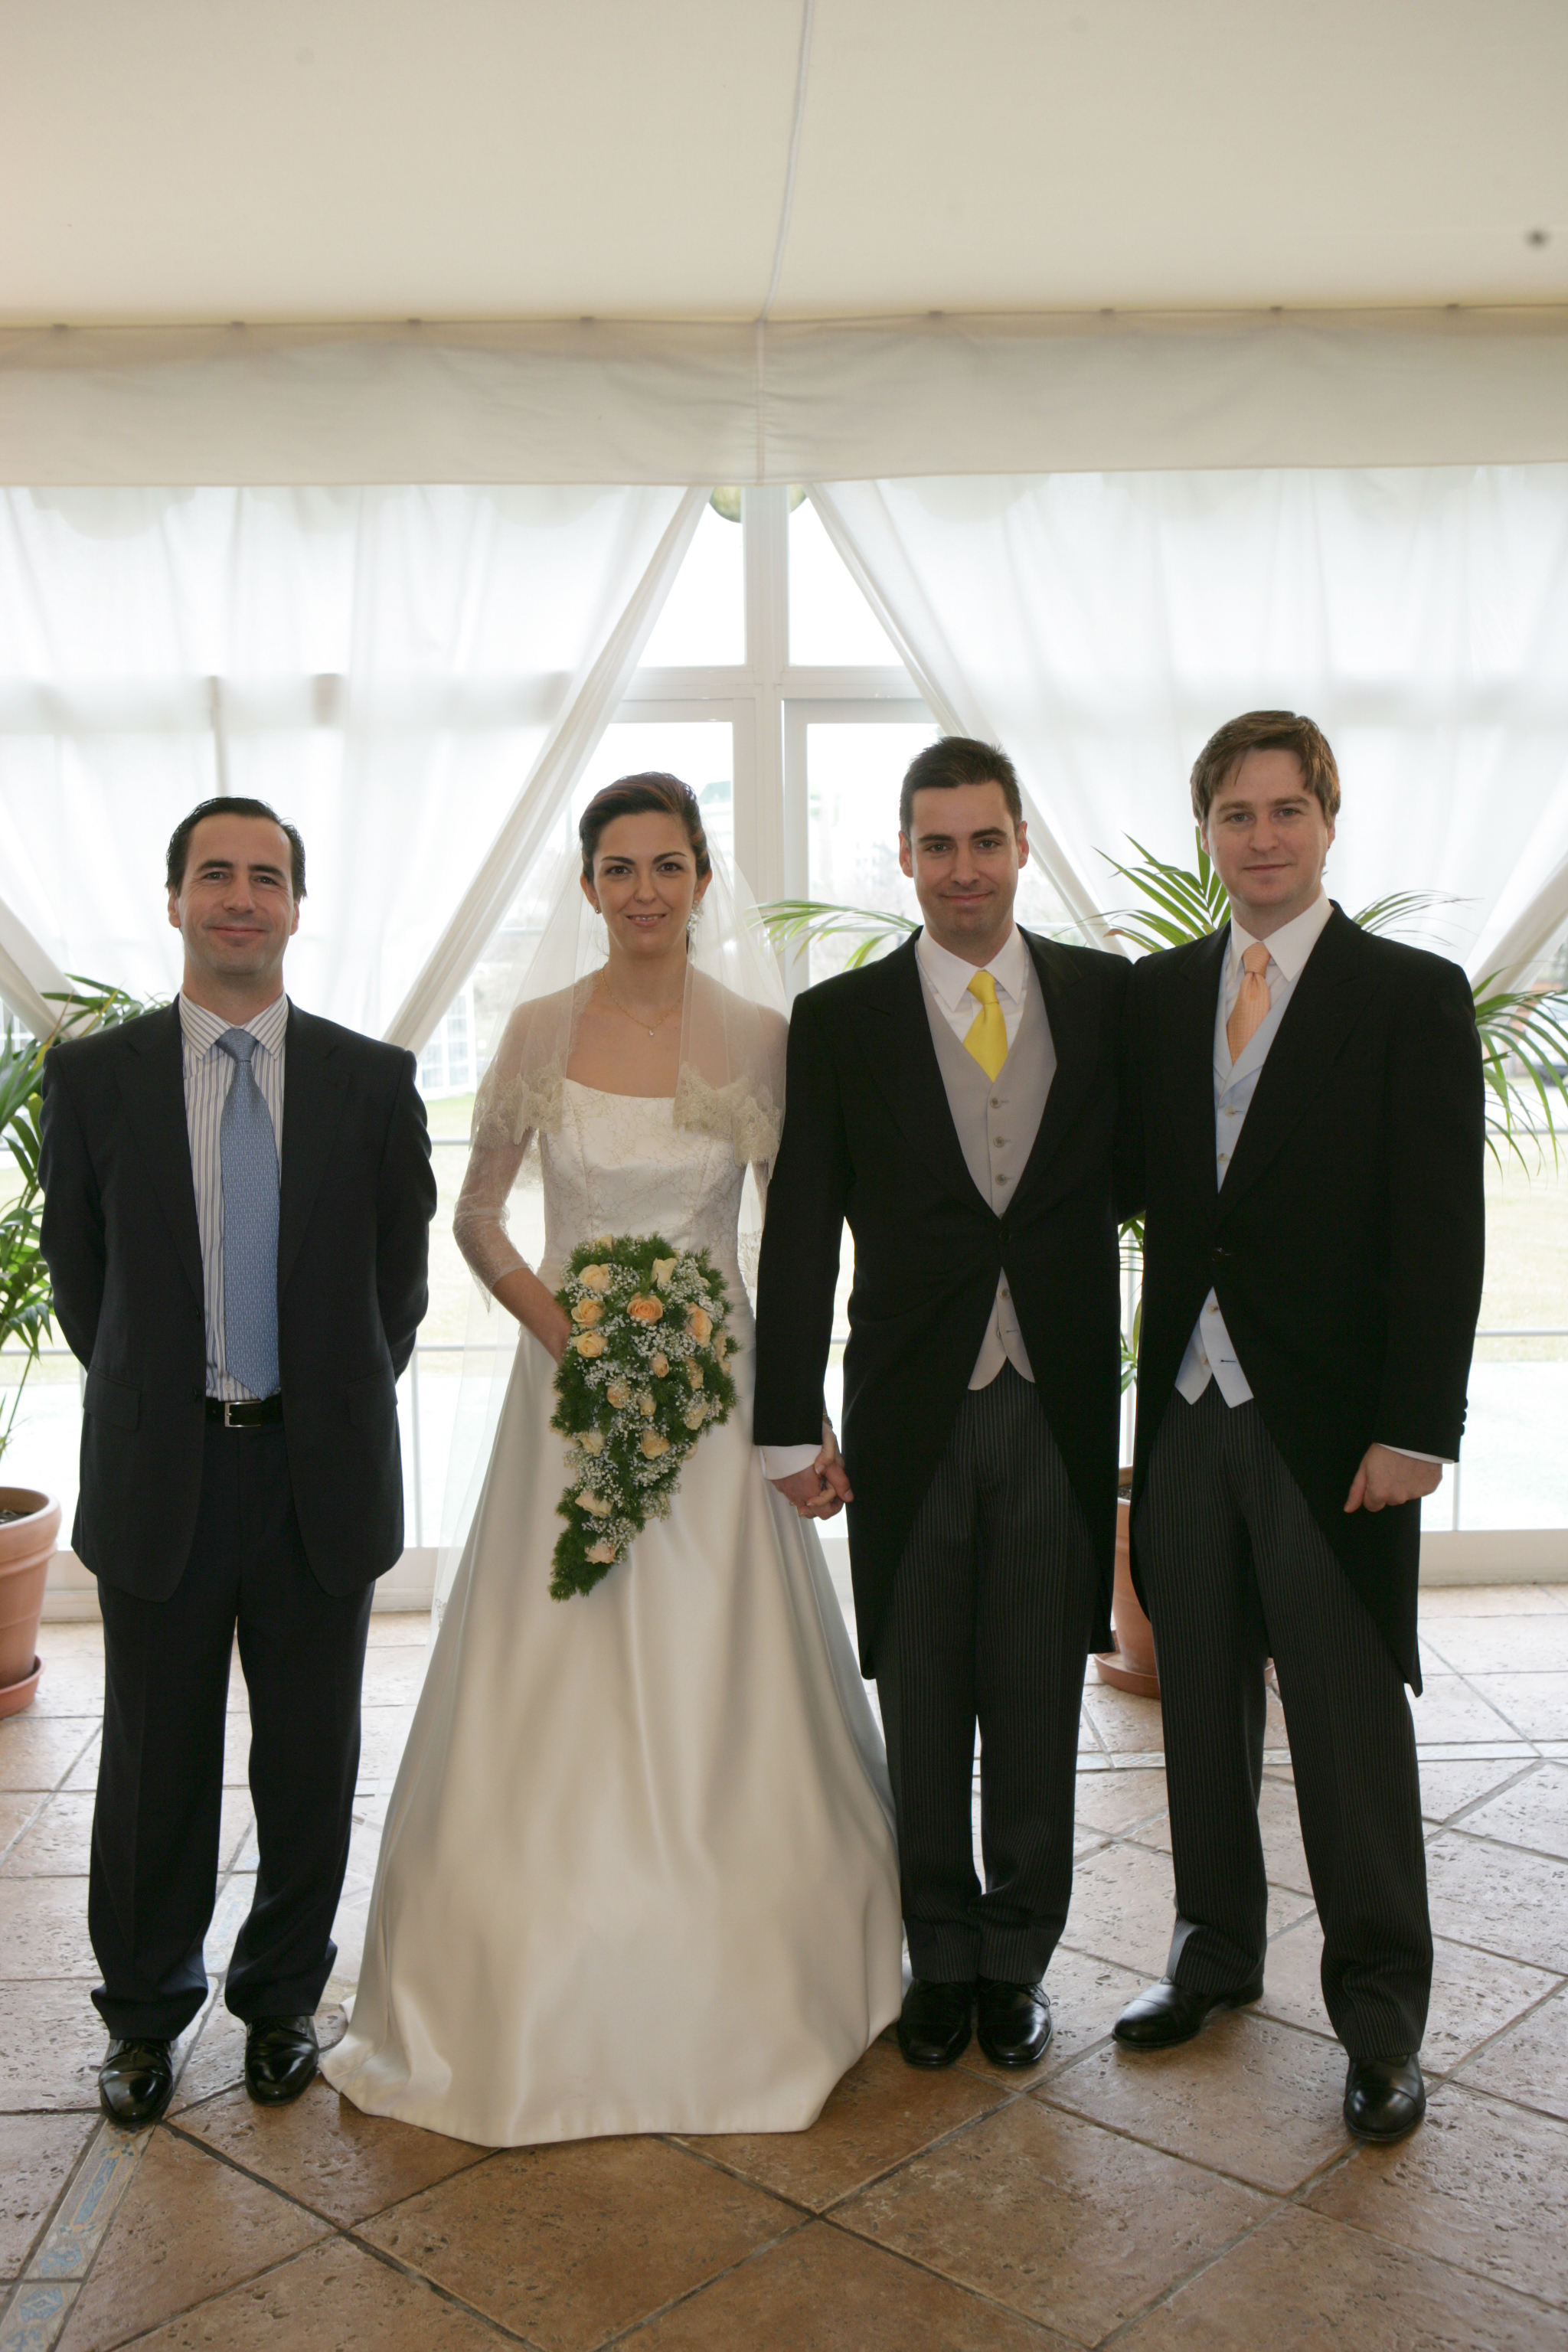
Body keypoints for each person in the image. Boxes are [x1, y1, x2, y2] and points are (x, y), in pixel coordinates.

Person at [325, 776, 901, 2145]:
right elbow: (478, 1219)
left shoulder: (761, 1038)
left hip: (718, 1395)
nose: (645, 891)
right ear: (587, 886)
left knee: (724, 1662)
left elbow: (797, 1241)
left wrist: (798, 1409)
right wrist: (577, 1336)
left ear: (702, 877)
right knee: (550, 1655)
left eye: (668, 865)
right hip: (569, 1395)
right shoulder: (538, 1027)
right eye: (620, 868)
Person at [1112, 710, 1485, 2144]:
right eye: (1235, 814)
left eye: (1286, 811)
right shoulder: (1159, 998)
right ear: (1206, 831)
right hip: (1187, 1412)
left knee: (1344, 1732)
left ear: (1329, 820)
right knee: (1200, 1709)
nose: (1261, 838)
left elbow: (1440, 1231)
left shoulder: (1409, 995)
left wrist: (1415, 1426)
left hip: (1334, 1431)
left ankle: (1381, 2022)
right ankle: (1214, 1954)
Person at [38, 796, 436, 2128]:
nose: (241, 898)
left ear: (297, 909)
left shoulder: (372, 1082)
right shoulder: (96, 1080)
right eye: (216, 874)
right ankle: (145, 2016)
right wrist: (167, 1400)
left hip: (318, 1475)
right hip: (163, 1473)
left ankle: (279, 2004)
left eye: (267, 877)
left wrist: (313, 1403)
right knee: (153, 1763)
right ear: (176, 902)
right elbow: (84, 1282)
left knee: (309, 1759)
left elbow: (398, 1286)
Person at [753, 737, 1129, 2072]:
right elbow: (801, 1231)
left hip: (1056, 1400)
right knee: (919, 1695)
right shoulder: (840, 1021)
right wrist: (787, 1422)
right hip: (907, 1410)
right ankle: (939, 1952)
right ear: (905, 856)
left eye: (984, 841)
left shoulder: (1106, 998)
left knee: (1033, 1691)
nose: (963, 869)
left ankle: (1016, 1957)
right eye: (936, 845)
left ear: (1020, 844)